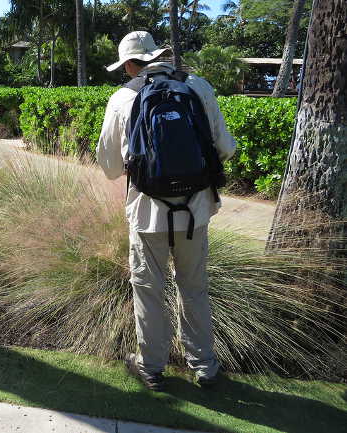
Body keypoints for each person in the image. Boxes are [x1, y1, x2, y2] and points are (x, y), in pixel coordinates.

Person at [96, 31, 236, 391]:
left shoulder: (123, 97)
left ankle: (152, 366)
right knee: (194, 288)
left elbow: (110, 165)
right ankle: (204, 365)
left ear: (130, 63)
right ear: (161, 55)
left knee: (148, 288)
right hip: (196, 210)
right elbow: (225, 148)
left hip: (147, 212)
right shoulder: (199, 87)